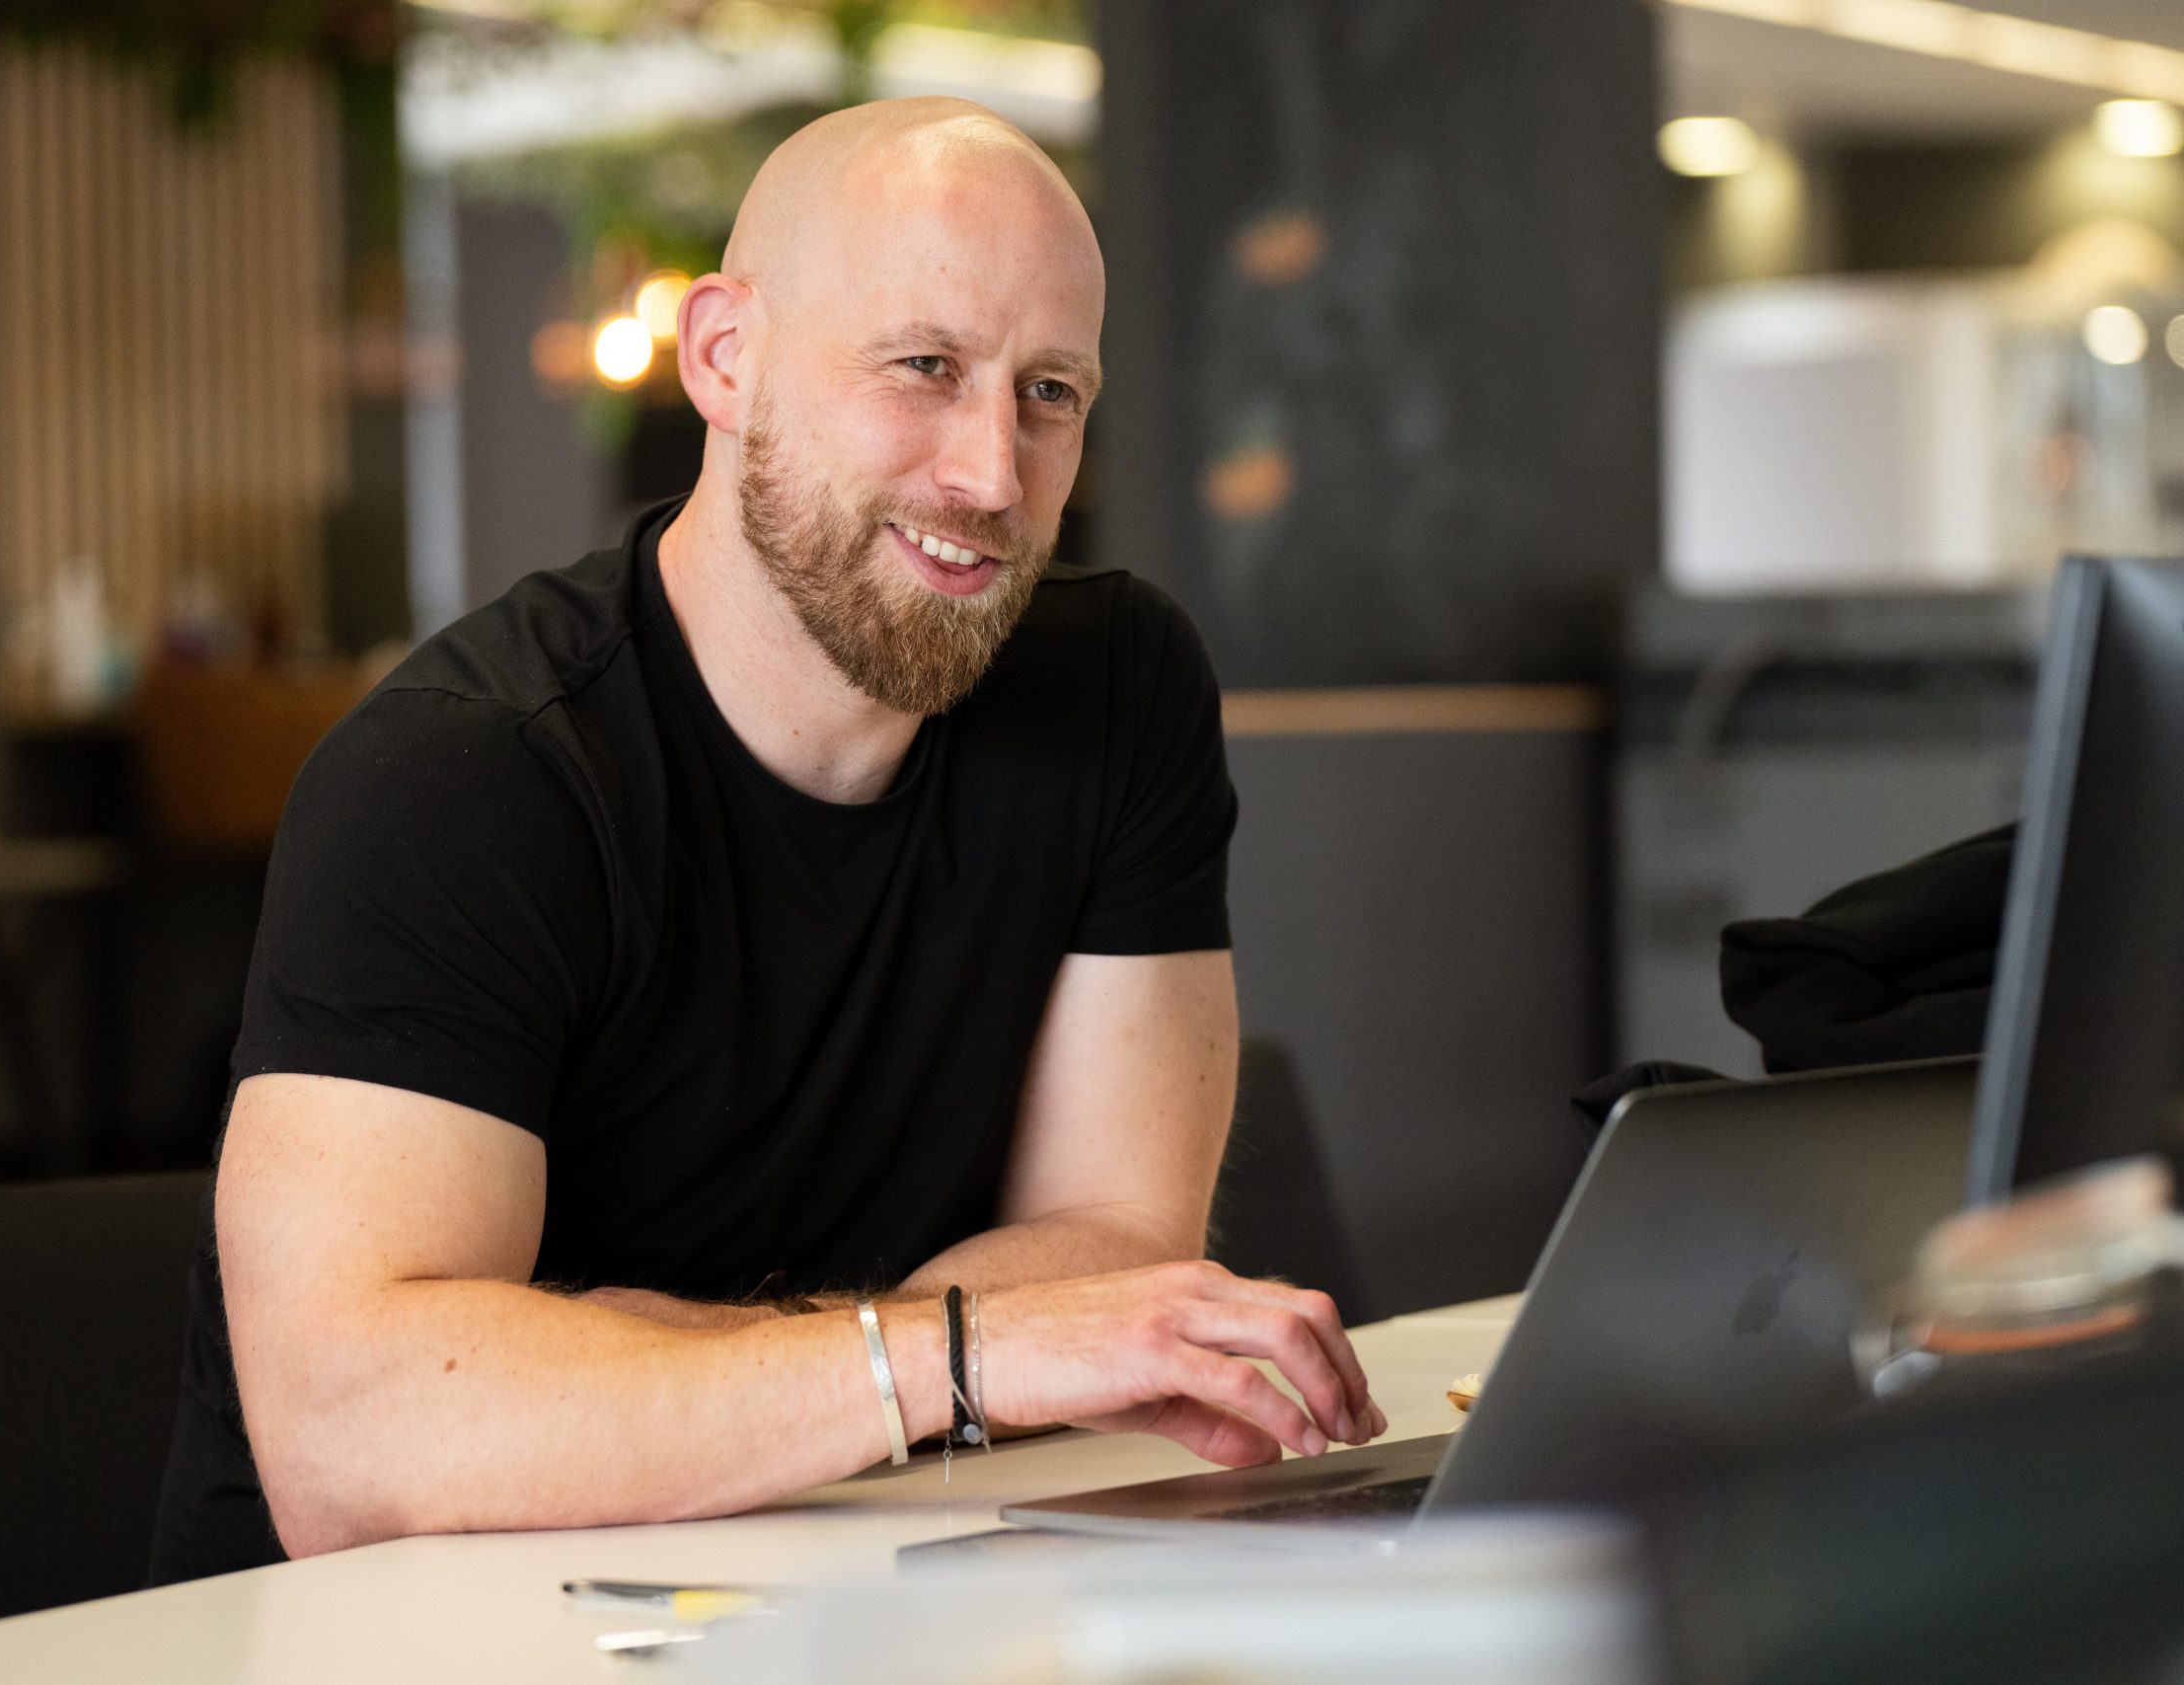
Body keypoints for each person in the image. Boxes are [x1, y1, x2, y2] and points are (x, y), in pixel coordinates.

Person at [149, 97, 1385, 1581]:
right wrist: (955, 1357)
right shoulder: (466, 773)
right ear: (726, 357)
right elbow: (358, 1444)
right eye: (925, 368)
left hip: (832, 1571)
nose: (993, 475)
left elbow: (1116, 1238)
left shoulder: (1116, 691)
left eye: (1050, 392)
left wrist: (646, 1362)